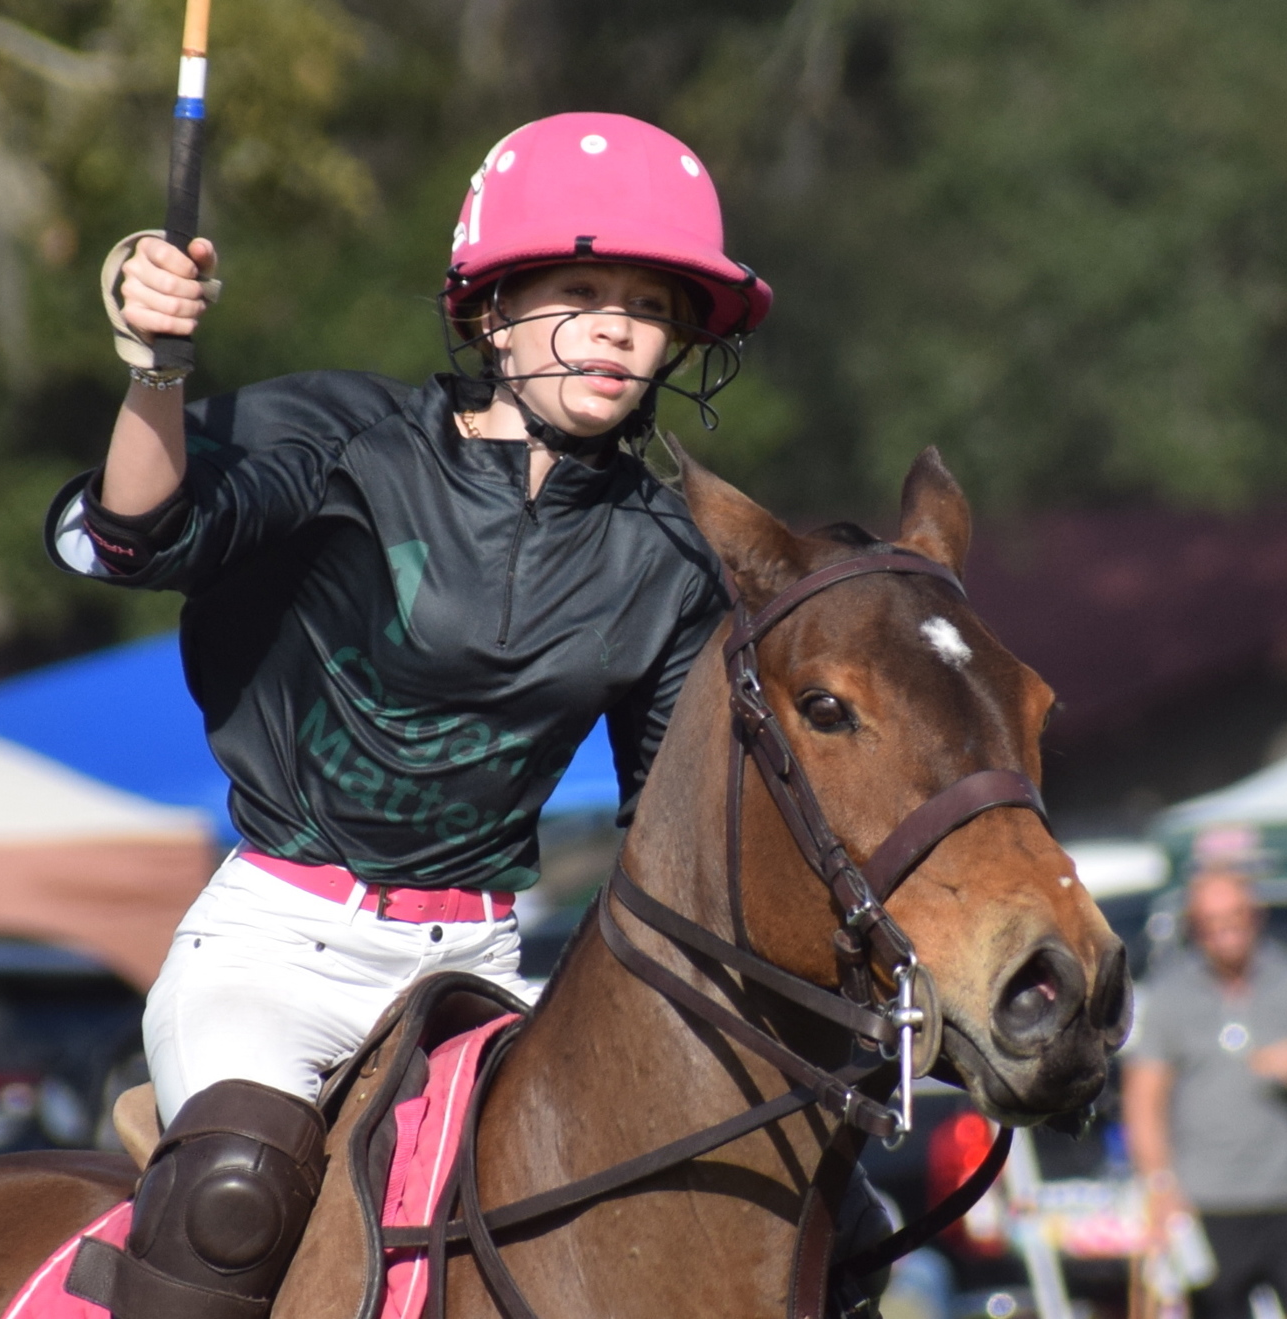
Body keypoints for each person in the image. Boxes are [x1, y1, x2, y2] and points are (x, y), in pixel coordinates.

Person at [43, 112, 772, 1319]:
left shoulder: (670, 554)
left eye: (648, 307)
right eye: (579, 290)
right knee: (232, 1197)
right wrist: (156, 366)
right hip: (275, 948)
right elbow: (139, 531)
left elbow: (668, 823)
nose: (615, 327)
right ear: (488, 311)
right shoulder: (346, 438)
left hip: (479, 968)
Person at [1121, 866, 1287, 1319]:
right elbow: (1143, 1098)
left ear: (1255, 917)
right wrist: (1159, 1183)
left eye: (1234, 919)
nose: (1224, 933)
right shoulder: (1172, 994)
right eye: (1211, 924)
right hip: (1210, 1198)